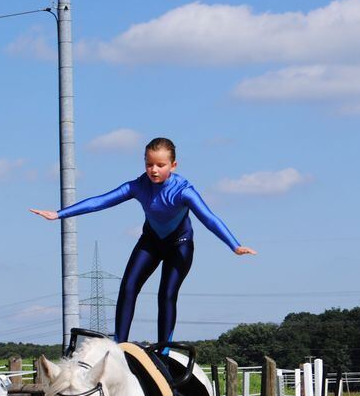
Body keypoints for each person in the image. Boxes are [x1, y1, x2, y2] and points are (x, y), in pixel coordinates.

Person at [31, 137, 256, 344]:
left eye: (160, 165)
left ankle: (163, 350)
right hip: (151, 241)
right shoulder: (138, 186)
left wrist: (234, 245)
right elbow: (101, 201)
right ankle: (119, 346)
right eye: (149, 164)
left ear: (173, 165)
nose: (154, 170)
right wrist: (59, 214)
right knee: (128, 287)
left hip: (180, 244)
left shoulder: (184, 191)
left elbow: (209, 218)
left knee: (166, 294)